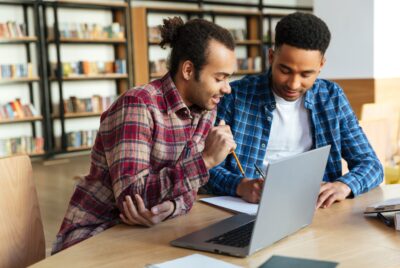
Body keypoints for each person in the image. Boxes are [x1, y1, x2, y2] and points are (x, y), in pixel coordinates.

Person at [52, 17, 237, 254]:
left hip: (151, 230)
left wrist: (169, 208)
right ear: (188, 70)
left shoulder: (206, 112)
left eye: (228, 78)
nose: (227, 88)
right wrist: (206, 160)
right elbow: (133, 196)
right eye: (219, 78)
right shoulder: (138, 106)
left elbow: (189, 192)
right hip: (96, 234)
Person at [205, 12, 383, 208]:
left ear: (321, 65)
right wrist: (240, 186)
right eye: (285, 70)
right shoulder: (235, 96)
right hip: (250, 210)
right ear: (271, 57)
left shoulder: (332, 97)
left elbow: (371, 164)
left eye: (306, 74)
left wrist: (344, 185)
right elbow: (206, 168)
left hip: (318, 211)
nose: (293, 84)